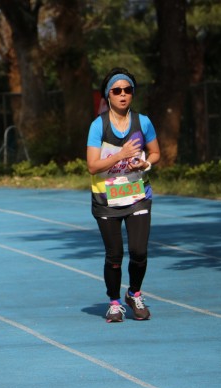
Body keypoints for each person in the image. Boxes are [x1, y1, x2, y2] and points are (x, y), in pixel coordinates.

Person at [86, 67, 160, 323]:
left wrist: (145, 163)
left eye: (127, 90)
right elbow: (92, 166)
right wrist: (121, 155)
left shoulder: (143, 122)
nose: (122, 94)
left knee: (139, 252)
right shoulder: (98, 126)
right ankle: (114, 303)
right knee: (115, 255)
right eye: (117, 90)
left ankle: (134, 294)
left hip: (137, 195)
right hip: (106, 200)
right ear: (108, 95)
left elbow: (155, 153)